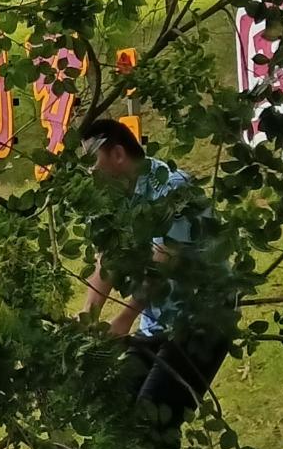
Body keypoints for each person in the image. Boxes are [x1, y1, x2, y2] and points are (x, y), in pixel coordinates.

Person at [77, 117, 234, 431]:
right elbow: (109, 260)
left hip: (201, 320)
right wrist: (86, 318)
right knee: (119, 413)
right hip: (158, 323)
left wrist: (123, 320)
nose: (89, 172)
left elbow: (164, 261)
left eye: (92, 161)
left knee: (153, 418)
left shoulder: (172, 188)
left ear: (118, 154)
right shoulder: (115, 200)